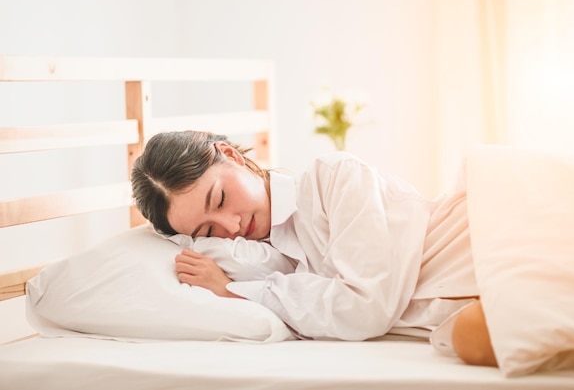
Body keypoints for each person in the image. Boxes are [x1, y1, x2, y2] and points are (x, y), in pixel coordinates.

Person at [131, 130, 497, 367]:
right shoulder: (269, 262)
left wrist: (232, 291)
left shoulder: (333, 178)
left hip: (485, 240)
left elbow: (366, 306)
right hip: (481, 303)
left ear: (232, 155)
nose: (231, 226)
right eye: (208, 231)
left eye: (222, 198)